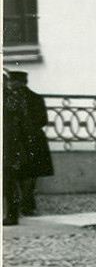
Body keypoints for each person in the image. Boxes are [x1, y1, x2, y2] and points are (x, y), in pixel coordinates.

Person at [8, 71, 53, 216]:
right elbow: (43, 120)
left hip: (20, 139)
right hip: (36, 138)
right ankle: (28, 205)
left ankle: (25, 204)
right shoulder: (36, 98)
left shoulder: (12, 99)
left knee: (21, 172)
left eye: (12, 81)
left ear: (19, 82)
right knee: (31, 173)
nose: (9, 83)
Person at [3, 72, 32, 225]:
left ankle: (12, 215)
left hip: (8, 144)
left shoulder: (9, 98)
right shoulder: (11, 97)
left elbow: (20, 120)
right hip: (9, 143)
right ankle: (11, 214)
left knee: (8, 181)